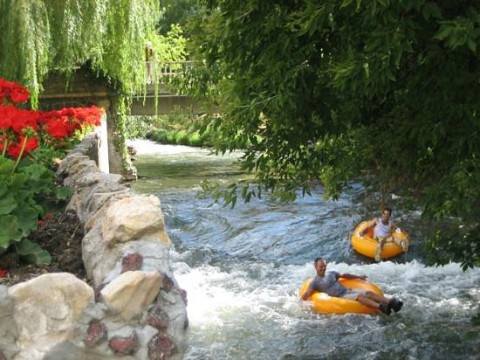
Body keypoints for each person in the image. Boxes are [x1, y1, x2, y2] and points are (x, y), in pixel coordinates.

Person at [301, 257, 403, 315]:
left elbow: (344, 276)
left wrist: (359, 277)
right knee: (359, 297)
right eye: (320, 267)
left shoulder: (331, 273)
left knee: (368, 293)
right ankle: (380, 307)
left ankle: (391, 302)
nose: (323, 268)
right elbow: (307, 293)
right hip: (340, 296)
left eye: (324, 266)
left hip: (347, 291)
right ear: (315, 267)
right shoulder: (315, 282)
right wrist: (299, 303)